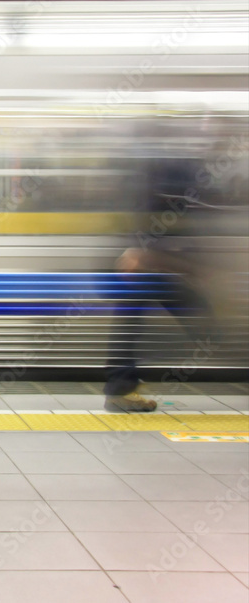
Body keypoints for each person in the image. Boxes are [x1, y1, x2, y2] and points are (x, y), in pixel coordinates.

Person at [104, 153, 214, 412]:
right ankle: (121, 386)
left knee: (209, 329)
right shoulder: (167, 160)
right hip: (154, 263)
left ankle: (121, 384)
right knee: (209, 329)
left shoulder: (161, 158)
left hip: (161, 262)